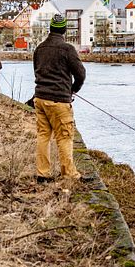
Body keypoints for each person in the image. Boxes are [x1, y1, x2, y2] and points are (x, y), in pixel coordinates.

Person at [33, 14, 86, 183]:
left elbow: (37, 71)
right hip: (59, 100)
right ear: (64, 30)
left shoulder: (39, 48)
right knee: (64, 136)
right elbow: (81, 74)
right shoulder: (67, 49)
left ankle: (43, 173)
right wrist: (72, 90)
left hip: (40, 98)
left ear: (50, 29)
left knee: (43, 136)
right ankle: (69, 174)